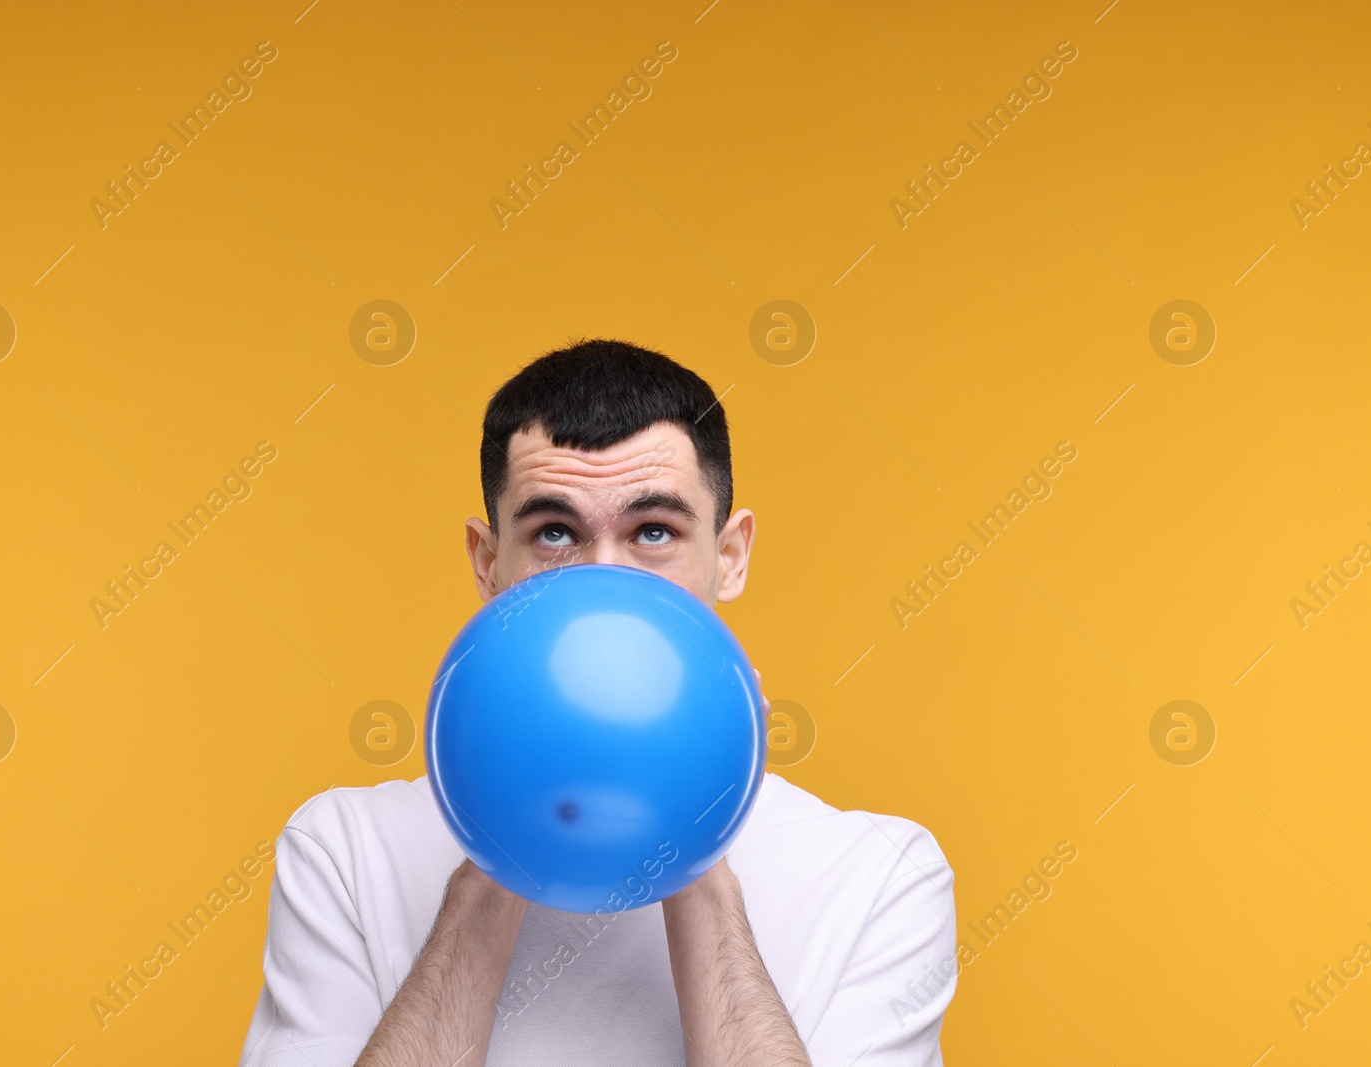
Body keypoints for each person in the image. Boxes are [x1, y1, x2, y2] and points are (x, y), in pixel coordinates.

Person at [239, 339, 957, 1066]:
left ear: (730, 555)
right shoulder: (341, 850)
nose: (603, 583)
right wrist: (498, 843)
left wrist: (696, 829)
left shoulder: (881, 874)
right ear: (489, 565)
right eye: (555, 533)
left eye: (654, 532)